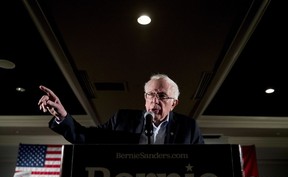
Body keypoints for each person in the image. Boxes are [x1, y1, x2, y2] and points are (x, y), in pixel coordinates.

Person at [38, 73, 204, 144]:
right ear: (145, 98)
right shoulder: (123, 119)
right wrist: (63, 115)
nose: (155, 100)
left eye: (161, 96)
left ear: (174, 103)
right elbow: (86, 138)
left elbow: (203, 164)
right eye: (150, 95)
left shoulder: (188, 127)